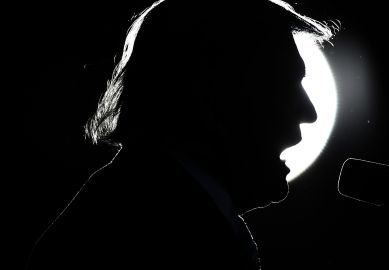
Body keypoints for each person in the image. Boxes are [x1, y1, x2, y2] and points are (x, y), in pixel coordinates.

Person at [26, 0, 337, 269]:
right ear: (213, 95)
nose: (309, 113)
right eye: (284, 84)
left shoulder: (139, 209)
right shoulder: (160, 236)